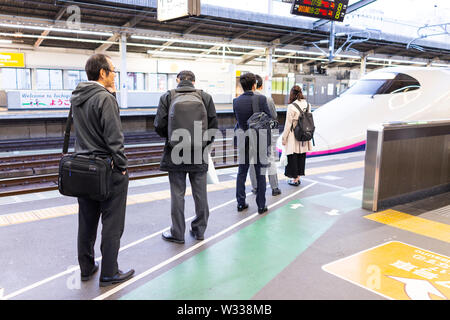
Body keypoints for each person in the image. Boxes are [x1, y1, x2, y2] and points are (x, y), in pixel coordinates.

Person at [70, 53, 134, 287]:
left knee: (86, 221)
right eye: (113, 70)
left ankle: (87, 268)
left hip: (82, 169)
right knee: (112, 222)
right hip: (106, 170)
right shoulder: (105, 99)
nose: (115, 75)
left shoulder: (78, 96)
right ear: (102, 72)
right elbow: (114, 139)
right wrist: (123, 167)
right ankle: (109, 272)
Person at [154, 70, 218, 244]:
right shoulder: (205, 97)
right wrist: (203, 144)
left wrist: (172, 137)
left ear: (178, 80)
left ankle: (177, 233)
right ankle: (199, 231)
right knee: (201, 194)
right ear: (194, 82)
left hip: (175, 153)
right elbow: (213, 126)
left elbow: (159, 126)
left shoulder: (167, 97)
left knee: (177, 195)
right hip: (199, 153)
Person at [233, 72, 272, 214]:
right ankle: (261, 206)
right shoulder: (261, 99)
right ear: (254, 85)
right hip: (259, 141)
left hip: (244, 140)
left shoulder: (236, 101)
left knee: (241, 172)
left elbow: (238, 121)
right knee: (260, 173)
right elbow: (270, 118)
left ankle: (240, 203)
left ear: (241, 86)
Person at [249, 74, 281, 197]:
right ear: (260, 86)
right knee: (270, 160)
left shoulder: (244, 99)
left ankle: (256, 187)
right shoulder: (267, 99)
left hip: (250, 134)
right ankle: (275, 188)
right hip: (265, 134)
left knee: (252, 161)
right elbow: (274, 116)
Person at [281, 85, 313, 186]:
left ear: (292, 94)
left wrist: (284, 138)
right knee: (301, 156)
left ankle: (295, 179)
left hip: (293, 135)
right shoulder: (308, 104)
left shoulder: (291, 107)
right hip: (304, 134)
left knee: (293, 157)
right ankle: (298, 177)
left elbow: (288, 124)